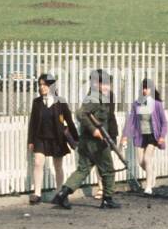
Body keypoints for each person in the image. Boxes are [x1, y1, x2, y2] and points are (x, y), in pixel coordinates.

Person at [52, 68, 121, 210]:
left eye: (108, 84)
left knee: (82, 170)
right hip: (96, 142)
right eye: (104, 84)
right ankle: (107, 198)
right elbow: (81, 114)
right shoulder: (94, 98)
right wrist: (94, 130)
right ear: (96, 84)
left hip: (89, 141)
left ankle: (63, 194)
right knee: (108, 170)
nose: (107, 87)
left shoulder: (102, 97)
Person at [26, 73, 78, 204]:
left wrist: (76, 139)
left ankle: (59, 192)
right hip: (40, 138)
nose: (42, 87)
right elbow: (32, 122)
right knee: (38, 163)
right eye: (40, 85)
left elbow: (69, 121)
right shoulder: (36, 102)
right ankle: (37, 194)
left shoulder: (61, 102)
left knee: (58, 165)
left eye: (45, 85)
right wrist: (30, 141)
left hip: (57, 138)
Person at [120, 78, 168, 195]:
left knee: (147, 159)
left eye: (147, 88)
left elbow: (164, 122)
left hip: (153, 136)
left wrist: (162, 136)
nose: (145, 90)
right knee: (141, 162)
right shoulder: (136, 104)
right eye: (143, 88)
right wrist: (125, 135)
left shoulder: (157, 105)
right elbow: (131, 121)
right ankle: (152, 173)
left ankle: (148, 187)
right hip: (140, 136)